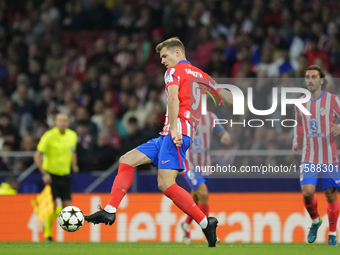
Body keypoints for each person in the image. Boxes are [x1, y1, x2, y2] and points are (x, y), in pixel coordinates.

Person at [84, 37, 233, 247]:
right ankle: (109, 211)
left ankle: (204, 223)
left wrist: (174, 129)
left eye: (165, 55)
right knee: (126, 160)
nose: (162, 60)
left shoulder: (173, 72)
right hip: (168, 135)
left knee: (165, 183)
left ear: (178, 53)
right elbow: (227, 98)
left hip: (175, 133)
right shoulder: (201, 76)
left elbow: (173, 99)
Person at [292, 65, 340, 246]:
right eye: (307, 77)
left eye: (314, 76)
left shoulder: (333, 100)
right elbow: (299, 124)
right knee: (307, 193)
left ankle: (333, 234)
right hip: (309, 155)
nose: (310, 80)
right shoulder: (301, 103)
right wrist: (296, 141)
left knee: (330, 194)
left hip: (329, 156)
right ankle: (315, 221)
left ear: (321, 80)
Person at [181, 111, 230, 244]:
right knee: (203, 193)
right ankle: (209, 230)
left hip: (205, 166)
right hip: (189, 165)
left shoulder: (210, 117)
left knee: (196, 198)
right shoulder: (184, 116)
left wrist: (225, 136)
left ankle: (185, 225)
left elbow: (222, 132)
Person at [34, 113, 78, 242]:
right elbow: (37, 156)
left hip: (65, 175)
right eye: (60, 120)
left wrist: (74, 165)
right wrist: (44, 173)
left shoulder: (72, 136)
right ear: (55, 122)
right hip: (51, 176)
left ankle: (55, 229)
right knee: (52, 207)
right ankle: (47, 235)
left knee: (67, 207)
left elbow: (73, 151)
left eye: (65, 120)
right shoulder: (48, 136)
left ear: (68, 122)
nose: (62, 123)